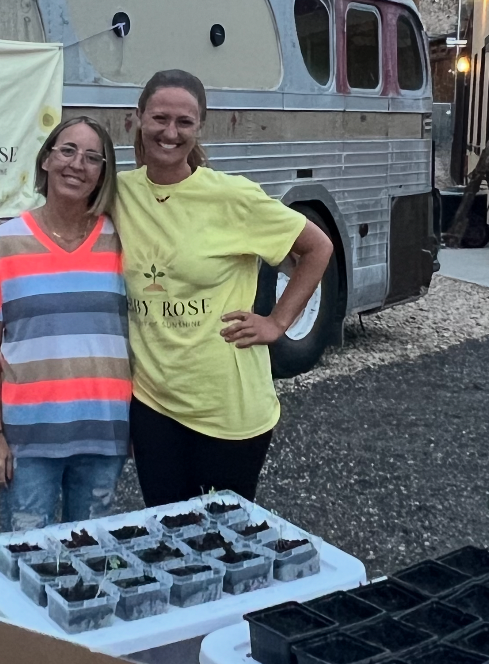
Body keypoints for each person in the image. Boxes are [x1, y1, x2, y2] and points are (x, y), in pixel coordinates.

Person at [116, 69, 333, 505]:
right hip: (154, 402)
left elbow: (318, 248)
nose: (170, 132)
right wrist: (2, 243)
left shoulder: (232, 197)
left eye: (184, 122)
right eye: (159, 118)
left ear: (200, 128)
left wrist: (278, 322)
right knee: (164, 532)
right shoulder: (118, 193)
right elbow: (60, 218)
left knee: (225, 541)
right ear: (136, 119)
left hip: (228, 408)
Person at [0, 116, 129, 529]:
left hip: (104, 433)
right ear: (46, 160)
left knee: (91, 555)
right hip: (29, 441)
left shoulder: (125, 240)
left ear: (103, 175)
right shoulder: (5, 244)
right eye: (68, 151)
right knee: (28, 558)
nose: (78, 164)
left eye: (93, 158)